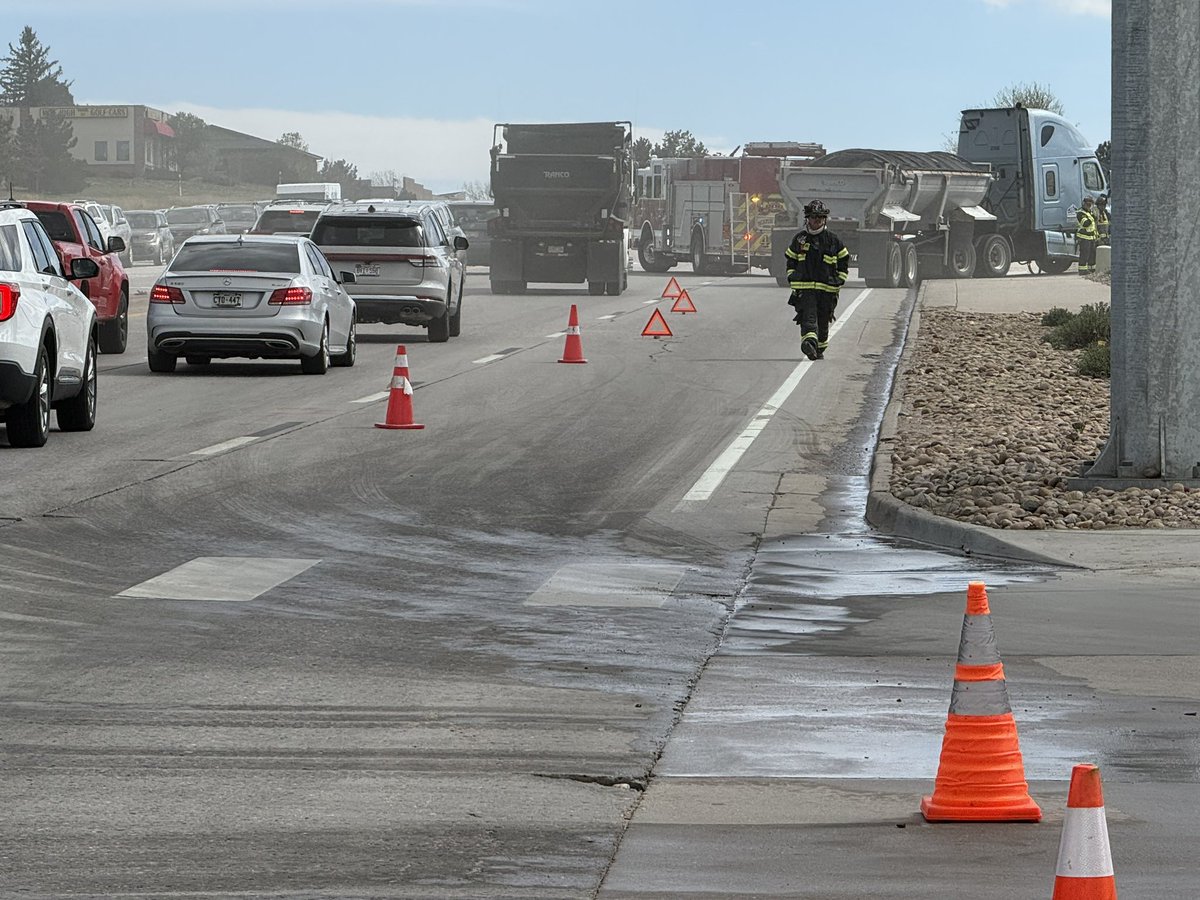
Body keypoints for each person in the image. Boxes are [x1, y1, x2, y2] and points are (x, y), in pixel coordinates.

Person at [786, 199, 849, 360]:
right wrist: (792, 277)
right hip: (805, 288)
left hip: (827, 290)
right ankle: (808, 344)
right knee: (808, 316)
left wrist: (839, 280)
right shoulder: (800, 239)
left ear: (825, 219)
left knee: (823, 321)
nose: (817, 220)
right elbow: (791, 260)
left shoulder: (833, 240)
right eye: (814, 217)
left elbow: (844, 260)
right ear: (808, 218)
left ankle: (819, 348)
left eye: (820, 217)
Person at [1076, 195, 1099, 275]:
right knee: (1084, 254)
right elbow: (1085, 224)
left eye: (1090, 204)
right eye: (1087, 204)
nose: (1089, 206)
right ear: (1084, 203)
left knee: (1092, 254)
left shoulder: (1089, 213)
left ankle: (1091, 270)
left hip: (1091, 237)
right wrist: (1092, 217)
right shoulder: (1080, 213)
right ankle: (1082, 270)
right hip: (1084, 237)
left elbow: (1093, 226)